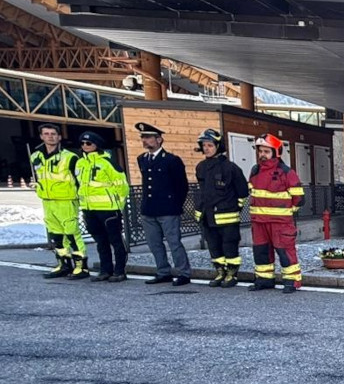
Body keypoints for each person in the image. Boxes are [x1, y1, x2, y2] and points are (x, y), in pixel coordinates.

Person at [135, 122, 191, 286]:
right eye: (143, 138)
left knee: (174, 242)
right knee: (154, 243)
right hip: (149, 209)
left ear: (159, 139)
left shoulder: (171, 160)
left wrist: (175, 205)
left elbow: (182, 186)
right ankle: (163, 271)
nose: (145, 141)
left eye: (148, 137)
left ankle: (183, 272)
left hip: (168, 209)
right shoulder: (142, 159)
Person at [248, 134, 305, 293]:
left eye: (266, 151)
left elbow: (299, 198)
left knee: (285, 252)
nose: (262, 155)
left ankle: (291, 281)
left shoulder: (286, 172)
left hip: (280, 223)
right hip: (259, 222)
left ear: (275, 152)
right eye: (260, 151)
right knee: (261, 253)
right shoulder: (255, 170)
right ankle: (264, 280)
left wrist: (286, 214)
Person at [194, 129, 249, 288]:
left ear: (218, 146)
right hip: (208, 217)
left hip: (227, 218)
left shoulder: (230, 168)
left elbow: (243, 192)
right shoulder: (201, 167)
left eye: (210, 145)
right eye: (204, 145)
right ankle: (220, 272)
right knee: (214, 248)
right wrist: (199, 211)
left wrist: (234, 208)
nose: (206, 148)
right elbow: (203, 192)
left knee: (229, 247)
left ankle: (232, 274)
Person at [30, 123, 85, 279]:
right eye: (46, 134)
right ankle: (64, 265)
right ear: (41, 136)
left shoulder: (70, 157)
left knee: (72, 235)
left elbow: (79, 179)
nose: (50, 136)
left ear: (59, 137)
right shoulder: (36, 156)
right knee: (57, 236)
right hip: (47, 200)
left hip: (66, 200)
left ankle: (81, 267)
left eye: (53, 134)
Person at [75, 131, 130, 282]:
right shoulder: (80, 163)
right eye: (83, 143)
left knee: (116, 241)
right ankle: (105, 270)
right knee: (101, 242)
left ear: (96, 145)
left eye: (89, 143)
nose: (85, 146)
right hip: (89, 209)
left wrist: (118, 206)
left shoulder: (108, 162)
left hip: (108, 209)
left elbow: (122, 187)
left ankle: (119, 271)